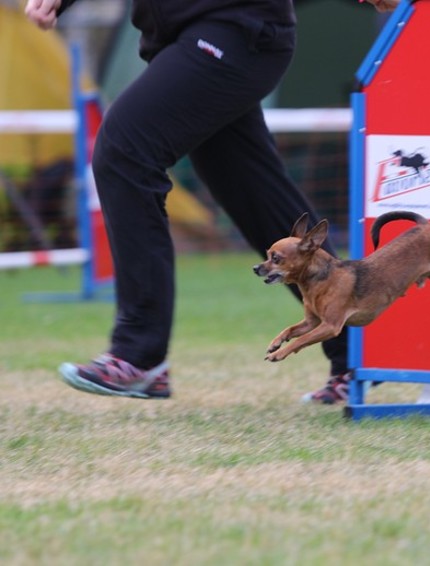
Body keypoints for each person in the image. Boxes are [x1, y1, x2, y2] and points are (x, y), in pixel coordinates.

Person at [24, 0, 399, 403]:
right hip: (191, 36)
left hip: (235, 29)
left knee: (125, 151)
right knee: (254, 193)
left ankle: (138, 354)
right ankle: (356, 351)